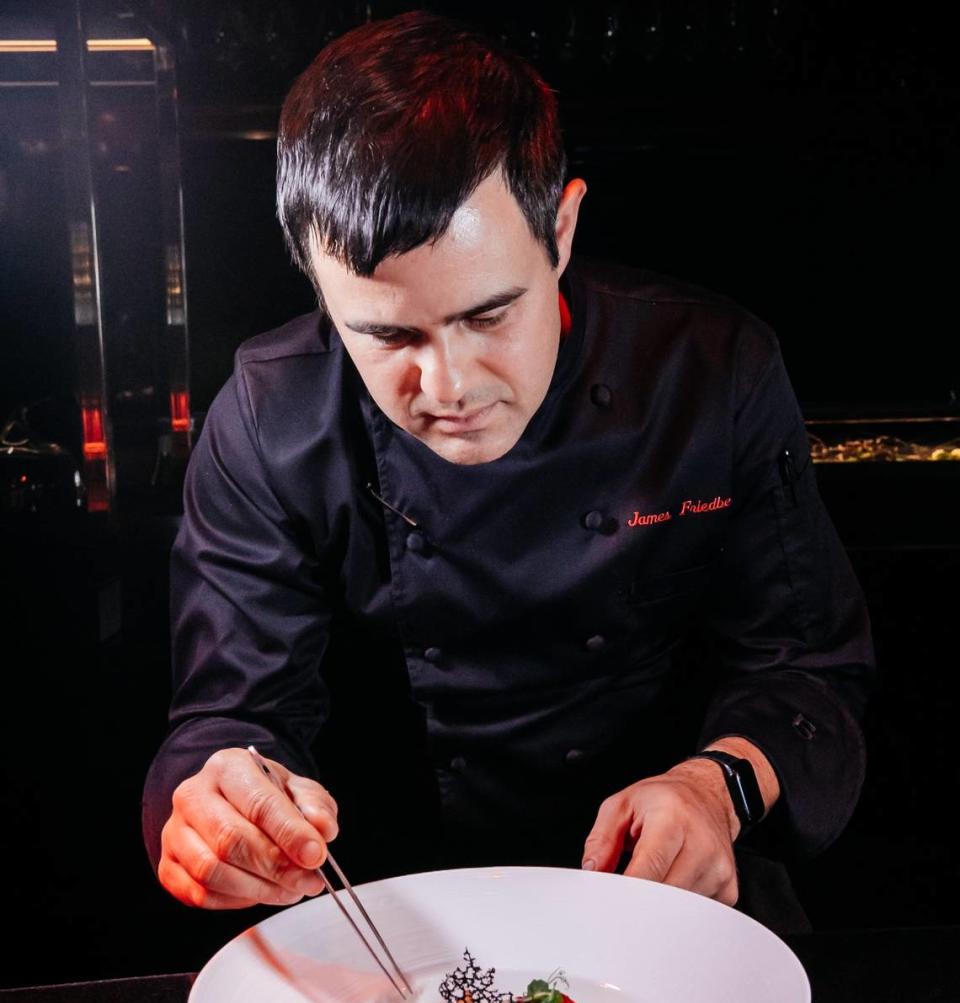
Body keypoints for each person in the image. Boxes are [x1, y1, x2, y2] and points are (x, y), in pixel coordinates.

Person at [142, 10, 874, 932]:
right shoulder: (267, 416)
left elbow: (807, 668)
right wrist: (219, 808)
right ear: (318, 286)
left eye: (489, 316)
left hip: (675, 900)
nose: (447, 386)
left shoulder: (712, 370)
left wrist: (713, 788)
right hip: (384, 917)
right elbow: (226, 719)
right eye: (387, 334)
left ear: (560, 230)